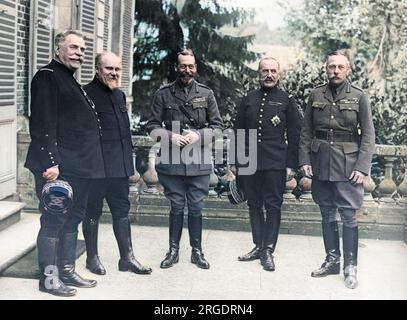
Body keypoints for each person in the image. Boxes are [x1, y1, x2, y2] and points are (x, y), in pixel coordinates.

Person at [25, 30, 105, 297]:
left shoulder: (70, 80)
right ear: (57, 49)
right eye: (73, 47)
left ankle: (67, 271)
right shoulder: (48, 76)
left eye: (82, 49)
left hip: (78, 167)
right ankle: (48, 279)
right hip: (57, 168)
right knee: (53, 220)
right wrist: (51, 163)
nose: (79, 53)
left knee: (73, 219)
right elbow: (42, 124)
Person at [299, 51, 375, 289]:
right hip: (321, 162)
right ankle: (332, 259)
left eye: (340, 67)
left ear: (348, 70)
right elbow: (306, 131)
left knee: (349, 216)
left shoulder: (359, 96)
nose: (336, 71)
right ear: (326, 68)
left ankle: (350, 266)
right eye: (332, 66)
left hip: (348, 165)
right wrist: (304, 161)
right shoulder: (315, 94)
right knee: (326, 213)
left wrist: (362, 167)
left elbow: (369, 135)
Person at [146, 49, 223, 269]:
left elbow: (218, 127)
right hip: (172, 161)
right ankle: (173, 251)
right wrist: (170, 136)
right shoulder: (163, 94)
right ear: (176, 67)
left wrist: (198, 135)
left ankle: (197, 252)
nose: (187, 70)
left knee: (196, 208)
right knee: (177, 207)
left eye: (190, 66)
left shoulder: (207, 94)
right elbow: (151, 126)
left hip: (199, 161)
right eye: (183, 66)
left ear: (196, 68)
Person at [82, 52, 152, 276]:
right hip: (96, 169)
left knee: (122, 212)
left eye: (117, 69)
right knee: (92, 212)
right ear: (97, 69)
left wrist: (128, 169)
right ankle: (92, 258)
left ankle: (127, 258)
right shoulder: (85, 94)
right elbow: (81, 136)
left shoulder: (120, 96)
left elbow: (124, 137)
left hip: (119, 170)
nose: (113, 73)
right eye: (108, 69)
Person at [233, 57, 301, 271]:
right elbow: (238, 132)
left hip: (275, 161)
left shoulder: (286, 100)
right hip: (250, 160)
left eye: (273, 71)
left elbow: (295, 133)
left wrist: (291, 164)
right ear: (258, 74)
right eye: (265, 71)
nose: (269, 75)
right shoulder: (249, 99)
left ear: (279, 74)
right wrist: (237, 162)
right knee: (253, 204)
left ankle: (268, 250)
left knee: (272, 205)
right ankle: (258, 246)